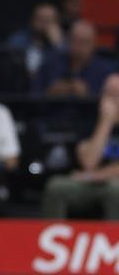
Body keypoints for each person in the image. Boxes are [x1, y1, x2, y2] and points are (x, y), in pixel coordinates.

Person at [43, 74, 119, 219]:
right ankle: (51, 237)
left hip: (106, 182)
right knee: (56, 186)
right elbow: (89, 162)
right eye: (108, 95)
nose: (113, 102)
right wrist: (106, 123)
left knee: (116, 191)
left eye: (117, 95)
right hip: (90, 183)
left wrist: (95, 176)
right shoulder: (89, 121)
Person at [34, 19, 115, 98]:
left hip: (89, 111)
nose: (78, 46)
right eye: (74, 40)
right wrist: (50, 93)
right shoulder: (50, 64)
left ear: (94, 43)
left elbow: (110, 103)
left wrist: (88, 95)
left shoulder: (105, 71)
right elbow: (33, 96)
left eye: (84, 42)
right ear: (68, 40)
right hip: (53, 110)